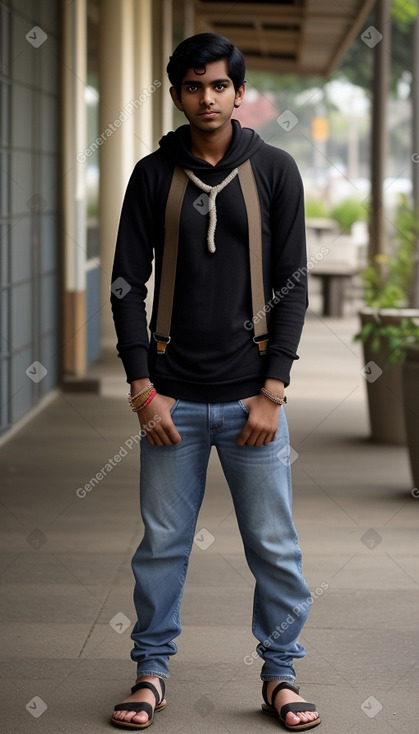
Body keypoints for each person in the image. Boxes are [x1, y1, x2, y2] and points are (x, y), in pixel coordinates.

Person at [110, 32, 321, 732]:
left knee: (274, 545)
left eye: (219, 85)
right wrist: (143, 388)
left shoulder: (275, 170)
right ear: (176, 94)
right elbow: (123, 286)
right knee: (161, 546)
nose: (208, 97)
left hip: (250, 401)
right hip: (169, 397)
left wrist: (272, 390)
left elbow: (292, 289)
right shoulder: (150, 175)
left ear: (237, 91)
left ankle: (280, 675)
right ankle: (149, 674)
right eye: (194, 86)